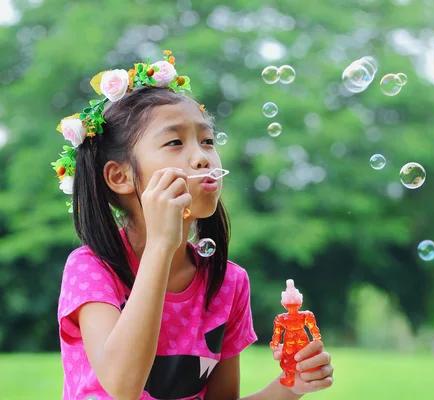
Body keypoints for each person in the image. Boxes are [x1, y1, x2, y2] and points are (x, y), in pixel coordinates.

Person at [53, 50, 334, 400]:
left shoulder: (228, 282)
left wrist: (292, 386)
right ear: (119, 176)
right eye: (175, 142)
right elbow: (122, 385)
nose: (202, 157)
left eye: (207, 141)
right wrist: (160, 245)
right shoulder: (92, 269)